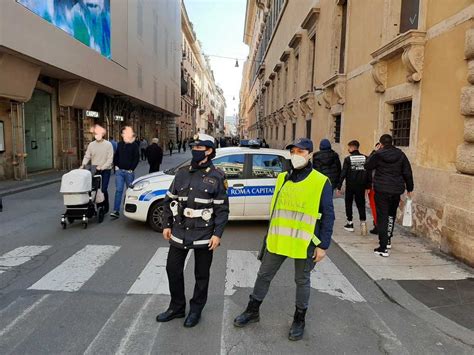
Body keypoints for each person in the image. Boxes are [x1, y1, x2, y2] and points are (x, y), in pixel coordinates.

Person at [233, 138, 335, 341]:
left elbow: (328, 214)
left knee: (302, 281)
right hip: (278, 240)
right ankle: (253, 311)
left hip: (304, 242)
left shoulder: (321, 181)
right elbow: (276, 211)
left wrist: (323, 245)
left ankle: (299, 319)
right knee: (263, 275)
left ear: (309, 154)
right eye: (293, 151)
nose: (296, 154)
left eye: (301, 151)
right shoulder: (282, 178)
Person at [156, 133, 229, 328]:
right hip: (180, 230)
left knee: (201, 275)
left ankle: (196, 309)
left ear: (209, 151)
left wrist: (217, 234)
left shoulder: (217, 176)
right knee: (172, 268)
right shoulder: (181, 173)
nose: (195, 151)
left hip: (204, 233)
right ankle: (177, 307)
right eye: (194, 148)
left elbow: (222, 209)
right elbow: (168, 199)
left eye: (199, 148)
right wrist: (167, 224)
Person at [365, 134, 414, 257]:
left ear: (381, 144)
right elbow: (407, 172)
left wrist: (373, 152)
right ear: (392, 143)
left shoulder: (378, 154)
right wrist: (410, 188)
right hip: (396, 190)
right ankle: (388, 241)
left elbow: (367, 166)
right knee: (391, 216)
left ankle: (383, 248)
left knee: (382, 217)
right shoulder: (401, 155)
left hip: (381, 190)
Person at [337, 140, 369, 236]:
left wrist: (339, 186)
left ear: (352, 147)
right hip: (361, 186)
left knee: (349, 203)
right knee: (361, 204)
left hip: (351, 185)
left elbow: (343, 173)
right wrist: (368, 186)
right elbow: (368, 173)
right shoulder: (365, 158)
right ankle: (363, 223)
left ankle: (350, 223)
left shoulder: (348, 159)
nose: (348, 149)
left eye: (349, 147)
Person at [80, 125, 114, 214]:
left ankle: (105, 206)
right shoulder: (91, 145)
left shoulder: (108, 144)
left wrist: (102, 167)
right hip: (94, 169)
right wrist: (83, 164)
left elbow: (110, 159)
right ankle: (99, 207)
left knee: (103, 189)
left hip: (106, 169)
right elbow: (87, 156)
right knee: (95, 188)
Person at [110, 126, 140, 219]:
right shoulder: (119, 144)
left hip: (129, 172)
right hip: (120, 172)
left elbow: (136, 158)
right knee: (118, 190)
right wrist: (116, 166)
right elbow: (116, 156)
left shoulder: (134, 145)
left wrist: (132, 169)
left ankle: (129, 209)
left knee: (129, 192)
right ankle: (116, 211)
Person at [367, 143, 381, 235]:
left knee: (375, 207)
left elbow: (368, 165)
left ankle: (378, 226)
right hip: (387, 187)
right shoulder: (396, 155)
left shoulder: (376, 156)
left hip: (375, 186)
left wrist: (374, 152)